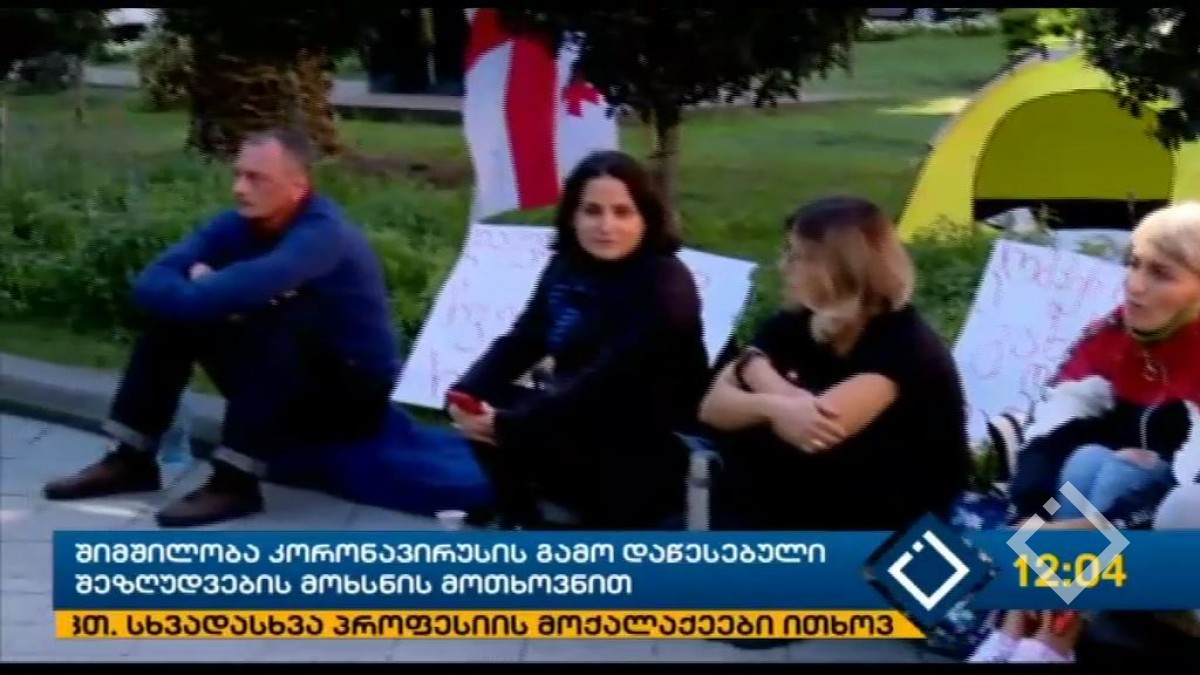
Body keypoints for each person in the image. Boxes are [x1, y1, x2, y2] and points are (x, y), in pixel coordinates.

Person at [41, 128, 401, 528]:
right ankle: (130, 460)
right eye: (238, 174)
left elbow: (241, 288)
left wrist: (208, 286)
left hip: (348, 399)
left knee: (277, 322)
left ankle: (235, 483)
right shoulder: (238, 224)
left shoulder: (323, 235)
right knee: (172, 320)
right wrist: (212, 293)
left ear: (298, 186)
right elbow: (151, 281)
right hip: (288, 382)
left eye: (256, 178)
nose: (239, 188)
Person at [446, 150, 710, 530]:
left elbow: (610, 381)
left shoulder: (665, 283)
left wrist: (512, 425)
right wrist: (467, 393)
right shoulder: (566, 266)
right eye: (592, 211)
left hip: (642, 435)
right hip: (575, 412)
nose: (606, 226)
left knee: (527, 421)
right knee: (489, 409)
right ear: (572, 215)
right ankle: (522, 518)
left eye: (622, 212)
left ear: (646, 218)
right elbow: (523, 340)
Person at [699, 195, 973, 531]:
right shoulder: (797, 322)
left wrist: (751, 371)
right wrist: (773, 403)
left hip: (876, 524)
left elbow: (817, 429)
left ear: (840, 267)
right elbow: (712, 408)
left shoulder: (903, 343)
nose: (785, 266)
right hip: (779, 509)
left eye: (798, 257)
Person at [1008, 202, 1200, 531]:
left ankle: (1093, 557)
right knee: (1086, 461)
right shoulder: (1110, 334)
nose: (1134, 285)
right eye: (1134, 264)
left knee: (1142, 484)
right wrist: (1034, 514)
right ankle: (1057, 557)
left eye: (1161, 274)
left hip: (1164, 509)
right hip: (1107, 508)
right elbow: (1053, 431)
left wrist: (1100, 526)